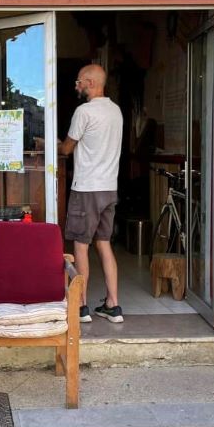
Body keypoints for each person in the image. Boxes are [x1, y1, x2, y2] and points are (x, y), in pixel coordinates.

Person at [58, 63, 124, 323]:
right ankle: (113, 305)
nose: (76, 86)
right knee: (104, 244)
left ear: (90, 82)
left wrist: (50, 144)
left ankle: (81, 306)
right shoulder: (115, 111)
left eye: (78, 82)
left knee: (81, 246)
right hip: (109, 188)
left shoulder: (84, 112)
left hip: (87, 188)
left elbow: (66, 149)